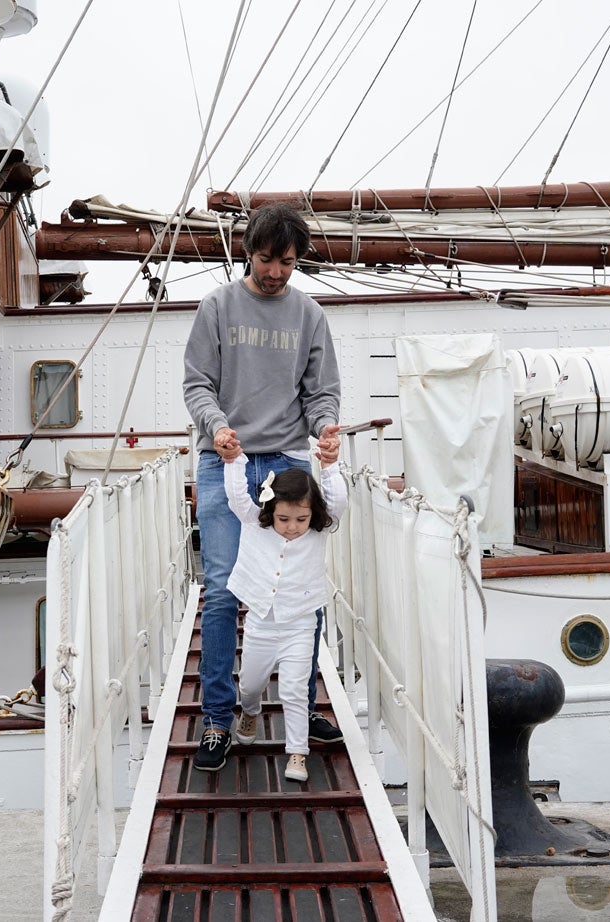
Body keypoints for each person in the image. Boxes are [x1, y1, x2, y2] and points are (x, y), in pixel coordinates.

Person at [183, 201, 344, 773]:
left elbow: (321, 392)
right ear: (248, 250)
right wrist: (217, 427)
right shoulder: (217, 307)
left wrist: (326, 428)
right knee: (226, 589)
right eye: (267, 259)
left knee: (304, 588)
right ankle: (218, 720)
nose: (276, 271)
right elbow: (197, 384)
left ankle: (302, 700)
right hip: (223, 459)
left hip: (287, 460)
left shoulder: (310, 316)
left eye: (288, 262)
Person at [221, 438, 346, 783]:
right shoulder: (253, 523)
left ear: (313, 515)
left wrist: (331, 465)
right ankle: (250, 711)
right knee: (249, 684)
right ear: (270, 510)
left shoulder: (319, 531)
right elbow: (235, 496)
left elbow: (339, 502)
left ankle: (297, 752)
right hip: (262, 622)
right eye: (284, 518)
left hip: (300, 624)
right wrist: (234, 461)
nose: (292, 526)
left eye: (301, 518)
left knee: (293, 688)